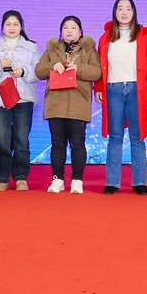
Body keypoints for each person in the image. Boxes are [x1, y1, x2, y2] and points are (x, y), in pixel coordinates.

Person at [97, 0, 147, 195]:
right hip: (113, 89)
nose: (124, 12)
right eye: (120, 8)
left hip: (136, 90)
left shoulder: (145, 36)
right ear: (114, 12)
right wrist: (99, 88)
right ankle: (112, 182)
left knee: (137, 136)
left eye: (128, 8)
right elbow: (100, 66)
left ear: (134, 12)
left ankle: (139, 181)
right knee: (115, 136)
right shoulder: (105, 38)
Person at [37, 17, 100, 194]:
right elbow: (38, 71)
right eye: (65, 27)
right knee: (57, 143)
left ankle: (77, 180)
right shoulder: (52, 50)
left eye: (73, 27)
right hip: (55, 103)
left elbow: (97, 72)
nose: (69, 30)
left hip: (78, 102)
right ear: (61, 31)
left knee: (77, 143)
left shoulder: (89, 50)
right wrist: (53, 65)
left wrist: (78, 69)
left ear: (80, 31)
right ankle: (57, 179)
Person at [0, 10, 40, 192]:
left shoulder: (31, 48)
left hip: (23, 99)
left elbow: (38, 73)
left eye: (16, 24)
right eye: (8, 24)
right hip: (0, 99)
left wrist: (24, 71)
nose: (12, 28)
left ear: (21, 26)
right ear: (2, 27)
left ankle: (21, 177)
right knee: (2, 141)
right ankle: (1, 178)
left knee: (22, 140)